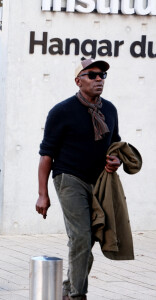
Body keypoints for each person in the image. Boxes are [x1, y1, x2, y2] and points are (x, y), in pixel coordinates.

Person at [36, 58, 121, 300]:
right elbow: (46, 156)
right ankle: (76, 295)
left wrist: (117, 160)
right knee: (81, 237)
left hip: (100, 182)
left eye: (102, 75)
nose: (98, 79)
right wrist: (43, 193)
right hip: (69, 178)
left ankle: (67, 289)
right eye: (92, 74)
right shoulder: (61, 111)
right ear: (78, 80)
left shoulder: (110, 110)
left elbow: (115, 145)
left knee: (89, 239)